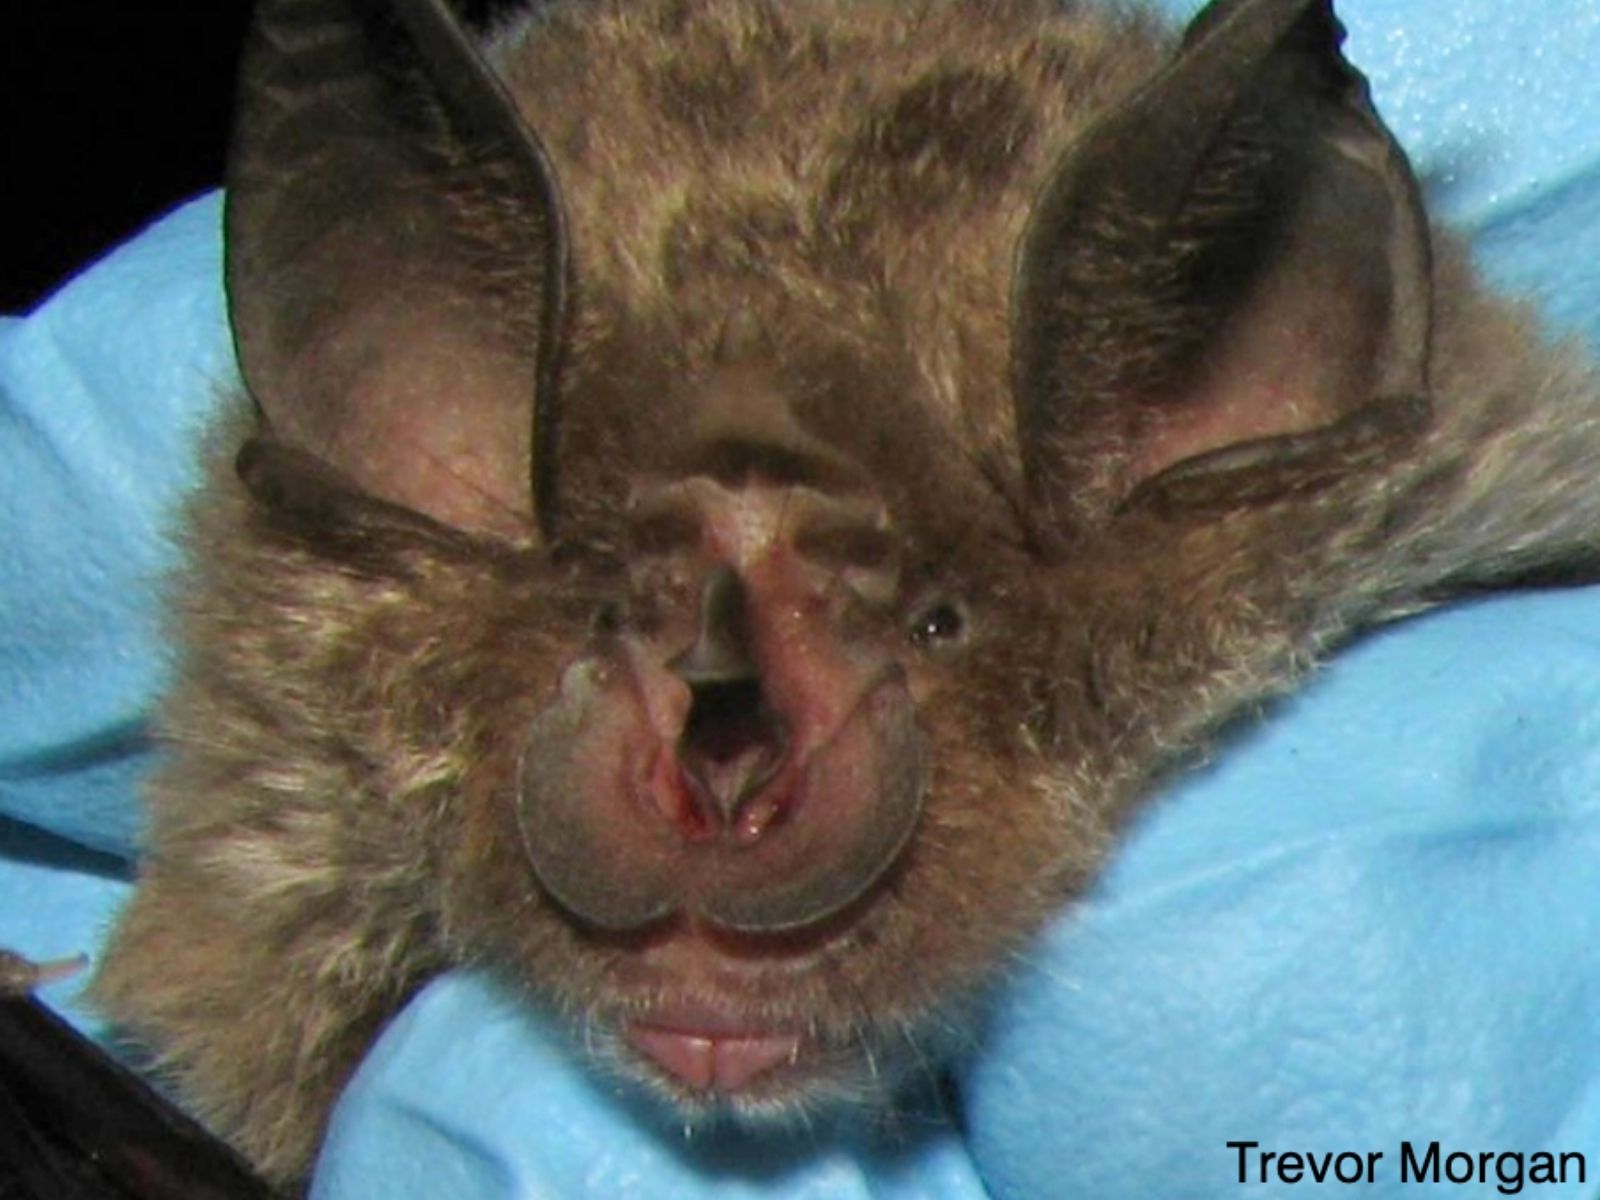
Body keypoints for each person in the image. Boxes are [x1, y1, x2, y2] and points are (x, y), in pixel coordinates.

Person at [6, 2, 1600, 1195]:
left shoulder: (1290, 531)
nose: (721, 774)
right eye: (601, 610)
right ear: (418, 425)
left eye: (924, 624)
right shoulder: (368, 626)